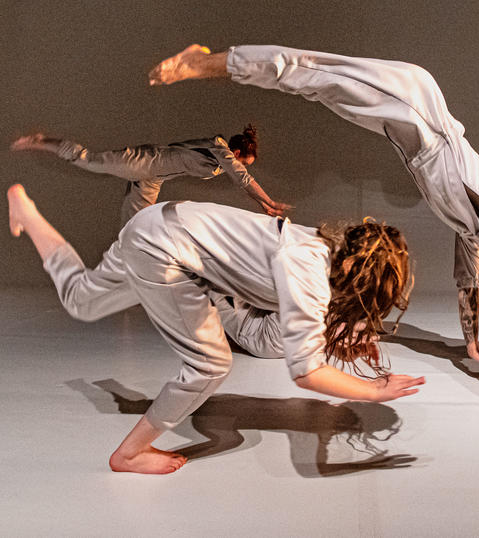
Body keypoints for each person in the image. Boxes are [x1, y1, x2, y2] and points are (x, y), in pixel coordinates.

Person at [148, 44, 479, 409]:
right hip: (414, 104)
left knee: (308, 77)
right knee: (306, 72)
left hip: (409, 121)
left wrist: (470, 341)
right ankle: (203, 63)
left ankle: (208, 63)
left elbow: (471, 276)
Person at [7, 183, 424, 474]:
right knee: (210, 365)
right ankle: (129, 455)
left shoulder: (319, 248)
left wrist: (347, 341)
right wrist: (372, 391)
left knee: (81, 300)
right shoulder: (307, 270)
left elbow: (307, 327)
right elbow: (306, 372)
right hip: (164, 250)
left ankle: (27, 211)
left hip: (157, 225)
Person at [11, 124, 292, 224]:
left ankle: (125, 280)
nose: (243, 166)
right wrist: (267, 202)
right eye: (245, 162)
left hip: (154, 177)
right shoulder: (221, 149)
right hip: (145, 161)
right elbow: (243, 178)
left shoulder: (220, 158)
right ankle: (41, 141)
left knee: (137, 225)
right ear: (238, 154)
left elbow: (240, 175)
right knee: (90, 161)